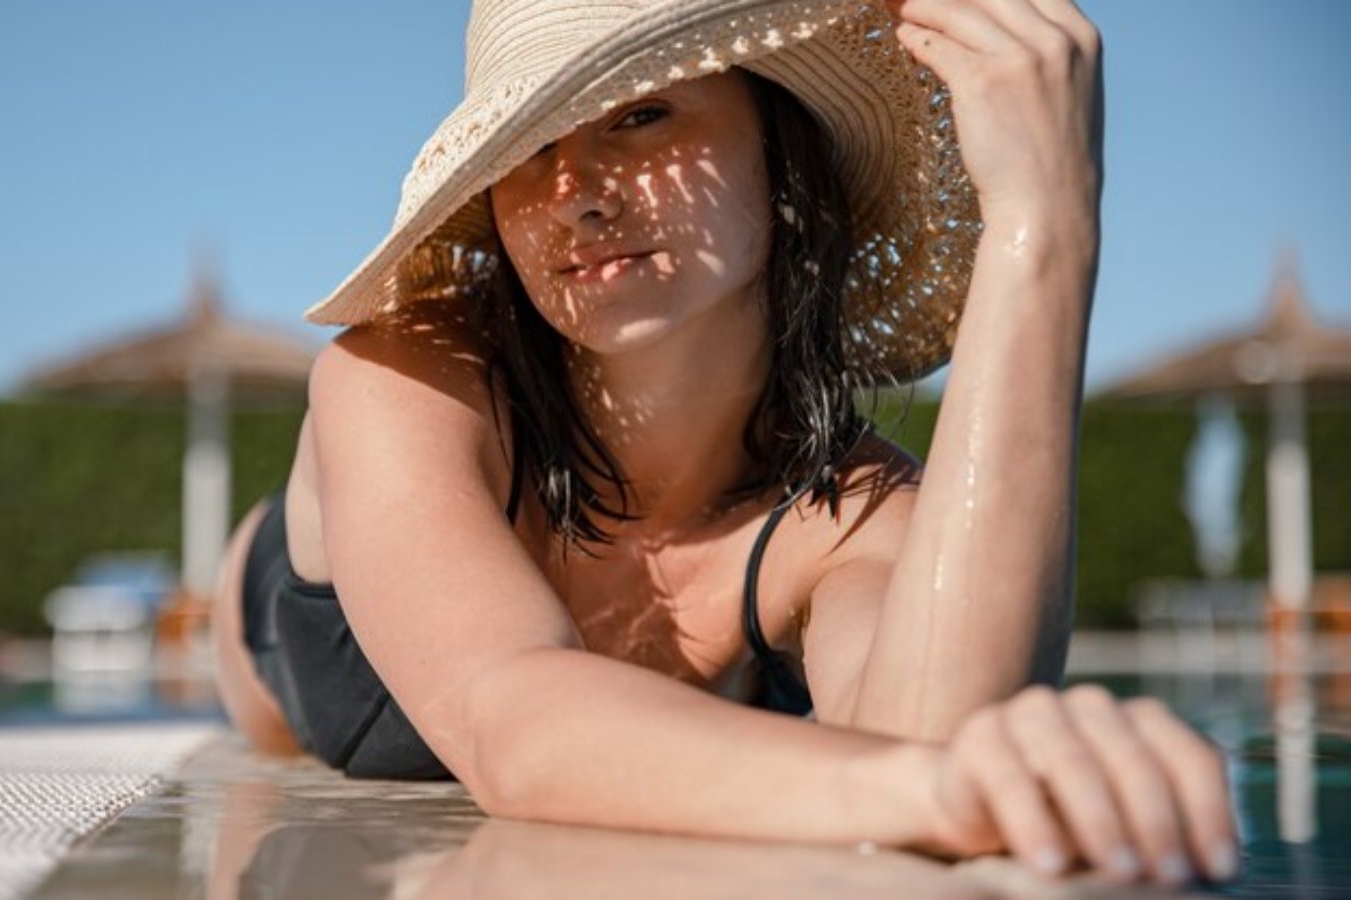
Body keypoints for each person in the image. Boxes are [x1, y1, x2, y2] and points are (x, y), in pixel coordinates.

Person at [211, 0, 1239, 888]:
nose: (576, 191)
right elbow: (512, 723)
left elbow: (934, 742)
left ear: (780, 148)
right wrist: (937, 786)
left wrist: (1041, 223)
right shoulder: (406, 379)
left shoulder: (850, 516)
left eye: (642, 112)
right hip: (281, 627)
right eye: (526, 150)